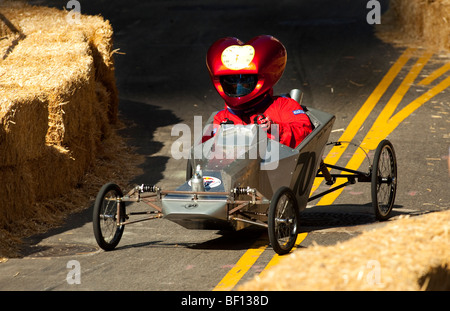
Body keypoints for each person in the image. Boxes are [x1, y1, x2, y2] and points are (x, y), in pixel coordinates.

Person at [203, 35, 313, 149]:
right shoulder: (221, 118)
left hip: (278, 164)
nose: (238, 85)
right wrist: (219, 139)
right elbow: (203, 154)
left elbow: (306, 135)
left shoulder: (283, 105)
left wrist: (274, 129)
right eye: (232, 80)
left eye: (245, 80)